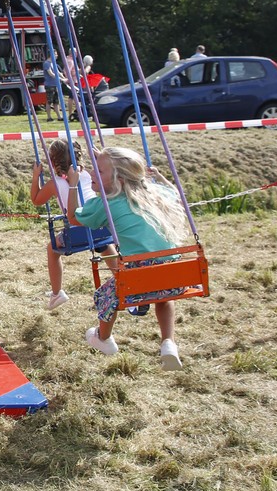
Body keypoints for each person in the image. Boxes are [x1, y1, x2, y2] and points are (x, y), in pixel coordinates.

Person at [75, 146, 192, 371]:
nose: (91, 173)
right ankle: (168, 342)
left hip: (137, 280)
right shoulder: (155, 195)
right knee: (163, 297)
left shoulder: (109, 204)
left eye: (99, 171)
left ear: (118, 179)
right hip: (173, 276)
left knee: (105, 295)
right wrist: (159, 177)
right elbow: (175, 194)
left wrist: (73, 186)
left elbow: (75, 217)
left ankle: (103, 338)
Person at [30, 139, 101, 312]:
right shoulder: (87, 175)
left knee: (52, 249)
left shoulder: (55, 183)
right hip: (101, 226)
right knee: (105, 245)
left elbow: (36, 200)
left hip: (77, 233)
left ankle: (57, 293)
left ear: (53, 161)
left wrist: (36, 176)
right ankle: (122, 279)